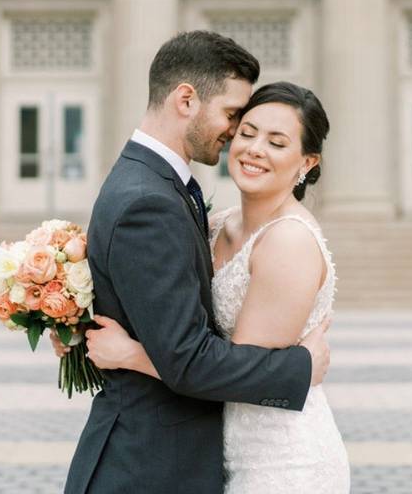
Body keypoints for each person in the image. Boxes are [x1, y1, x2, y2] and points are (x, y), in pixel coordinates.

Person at [56, 31, 331, 494]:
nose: (238, 137)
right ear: (186, 99)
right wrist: (299, 369)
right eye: (235, 119)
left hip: (245, 456)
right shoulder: (151, 198)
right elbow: (186, 357)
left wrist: (88, 330)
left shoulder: (162, 185)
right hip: (148, 466)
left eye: (274, 140)